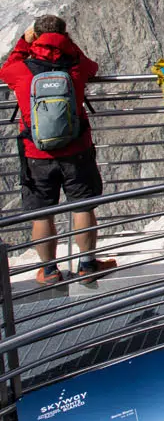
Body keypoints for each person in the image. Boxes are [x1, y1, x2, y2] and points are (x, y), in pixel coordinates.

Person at [0, 16, 115, 283]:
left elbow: (4, 70)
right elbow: (93, 67)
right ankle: (86, 266)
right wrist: (68, 44)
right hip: (77, 149)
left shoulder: (22, 69)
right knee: (82, 207)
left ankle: (49, 271)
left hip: (36, 153)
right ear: (65, 35)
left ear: (35, 37)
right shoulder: (75, 66)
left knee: (42, 212)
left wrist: (23, 43)